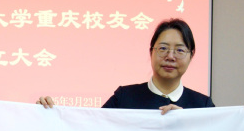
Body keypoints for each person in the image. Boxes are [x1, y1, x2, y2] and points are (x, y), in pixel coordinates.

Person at [38, 18, 214, 113]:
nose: (170, 56)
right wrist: (47, 114)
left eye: (180, 50)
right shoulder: (124, 98)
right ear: (151, 52)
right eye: (163, 48)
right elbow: (90, 130)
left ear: (191, 55)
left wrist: (186, 125)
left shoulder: (202, 105)